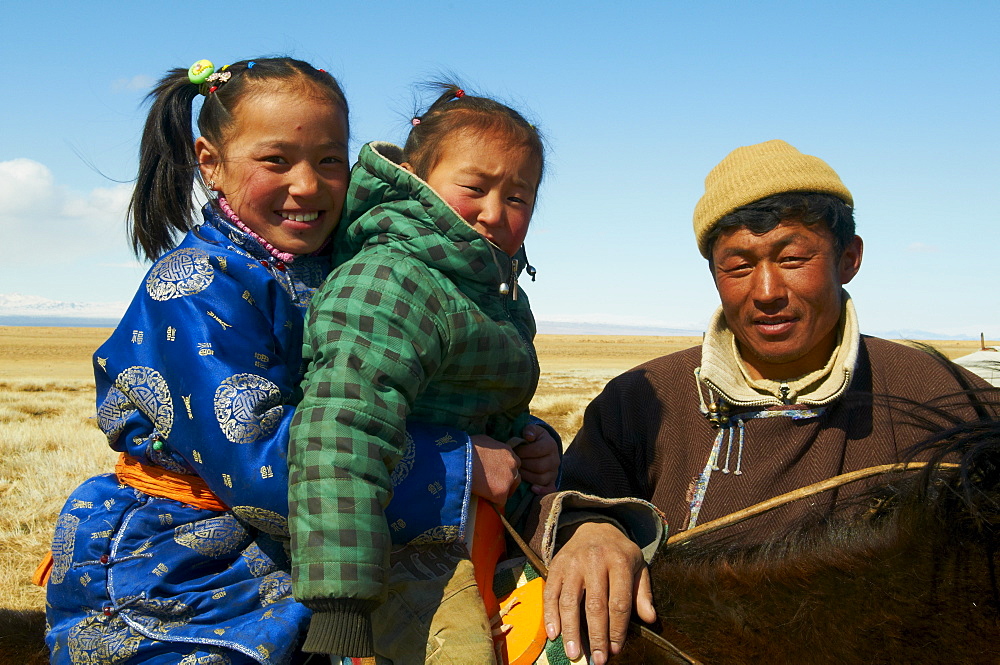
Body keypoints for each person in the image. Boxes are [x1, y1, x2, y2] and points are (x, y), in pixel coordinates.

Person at [39, 58, 552, 665]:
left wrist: (519, 440)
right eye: (276, 160)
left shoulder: (348, 268)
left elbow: (394, 396)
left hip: (314, 553)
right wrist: (461, 464)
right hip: (183, 574)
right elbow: (260, 461)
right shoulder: (193, 288)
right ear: (211, 163)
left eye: (330, 160)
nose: (307, 185)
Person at [535, 139, 996, 665]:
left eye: (793, 258)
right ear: (713, 275)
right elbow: (566, 500)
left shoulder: (937, 391)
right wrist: (591, 528)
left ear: (849, 259)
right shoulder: (642, 400)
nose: (768, 290)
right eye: (738, 266)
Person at [288, 84, 558, 664]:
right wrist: (341, 603)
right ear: (415, 176)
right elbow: (342, 430)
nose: (495, 212)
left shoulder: (485, 288)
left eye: (519, 197)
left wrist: (533, 443)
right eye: (475, 188)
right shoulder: (391, 281)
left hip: (482, 528)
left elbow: (468, 404)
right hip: (403, 550)